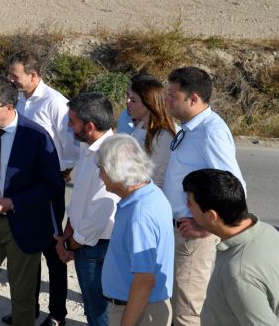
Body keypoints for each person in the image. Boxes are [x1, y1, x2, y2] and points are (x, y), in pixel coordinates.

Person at [0, 76, 63, 326]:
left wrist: (14, 202)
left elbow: (53, 185)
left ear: (9, 107)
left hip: (23, 224)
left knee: (22, 297)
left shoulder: (36, 137)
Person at [162, 66, 246, 326]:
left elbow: (235, 187)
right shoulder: (190, 128)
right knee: (174, 306)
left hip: (192, 238)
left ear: (194, 98)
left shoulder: (211, 132)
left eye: (173, 95)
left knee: (186, 313)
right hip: (177, 232)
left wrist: (206, 228)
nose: (167, 101)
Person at [4, 50, 77, 326]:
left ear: (34, 75)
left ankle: (57, 314)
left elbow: (70, 150)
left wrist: (56, 176)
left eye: (15, 75)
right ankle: (28, 309)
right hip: (24, 188)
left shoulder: (56, 103)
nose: (11, 80)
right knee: (27, 247)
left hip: (48, 188)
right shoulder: (20, 99)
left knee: (53, 250)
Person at [183, 169, 279, 325]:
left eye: (190, 202)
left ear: (212, 216)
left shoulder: (238, 274)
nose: (186, 205)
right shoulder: (267, 231)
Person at [98, 135, 174, 326]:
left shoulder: (140, 215)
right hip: (140, 308)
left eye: (102, 169)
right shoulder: (150, 193)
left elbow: (144, 280)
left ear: (117, 172)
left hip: (137, 312)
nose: (100, 175)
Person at [58, 92, 120, 326]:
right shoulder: (89, 148)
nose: (68, 126)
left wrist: (70, 244)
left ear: (90, 126)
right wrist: (67, 234)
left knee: (99, 313)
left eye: (72, 121)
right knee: (91, 309)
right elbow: (79, 201)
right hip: (83, 242)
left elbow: (100, 211)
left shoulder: (110, 156)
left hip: (95, 247)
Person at [126, 76, 177, 188]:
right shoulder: (140, 127)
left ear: (149, 103)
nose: (128, 103)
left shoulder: (163, 136)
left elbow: (156, 179)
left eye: (133, 100)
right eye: (129, 98)